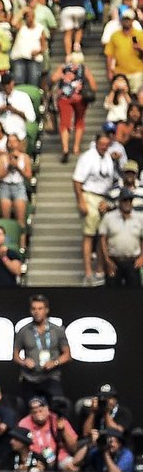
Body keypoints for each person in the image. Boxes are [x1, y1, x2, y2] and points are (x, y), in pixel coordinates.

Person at [72, 133, 118, 286]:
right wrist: (81, 202)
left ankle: (99, 269)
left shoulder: (108, 157)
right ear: (96, 143)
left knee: (102, 234)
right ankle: (88, 272)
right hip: (89, 195)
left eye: (106, 144)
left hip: (104, 198)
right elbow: (77, 181)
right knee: (89, 234)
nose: (104, 147)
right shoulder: (87, 157)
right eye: (101, 144)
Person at [12, 294, 72, 404]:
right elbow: (15, 355)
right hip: (30, 377)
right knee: (27, 407)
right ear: (30, 311)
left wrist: (55, 362)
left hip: (50, 376)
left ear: (46, 310)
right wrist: (23, 362)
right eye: (34, 309)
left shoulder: (57, 330)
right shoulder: (23, 331)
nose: (37, 312)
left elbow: (67, 355)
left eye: (40, 308)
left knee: (58, 406)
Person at [18, 396, 79, 472]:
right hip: (36, 459)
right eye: (34, 411)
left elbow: (74, 447)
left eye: (40, 409)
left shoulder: (58, 419)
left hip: (60, 457)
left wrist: (63, 430)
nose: (37, 412)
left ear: (47, 409)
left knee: (73, 467)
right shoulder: (24, 424)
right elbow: (21, 447)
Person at [98, 188, 143, 287]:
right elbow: (102, 239)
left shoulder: (139, 218)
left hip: (133, 262)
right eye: (125, 200)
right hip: (114, 261)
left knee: (134, 295)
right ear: (119, 201)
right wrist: (107, 260)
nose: (127, 203)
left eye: (129, 200)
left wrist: (141, 257)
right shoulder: (109, 217)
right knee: (112, 295)